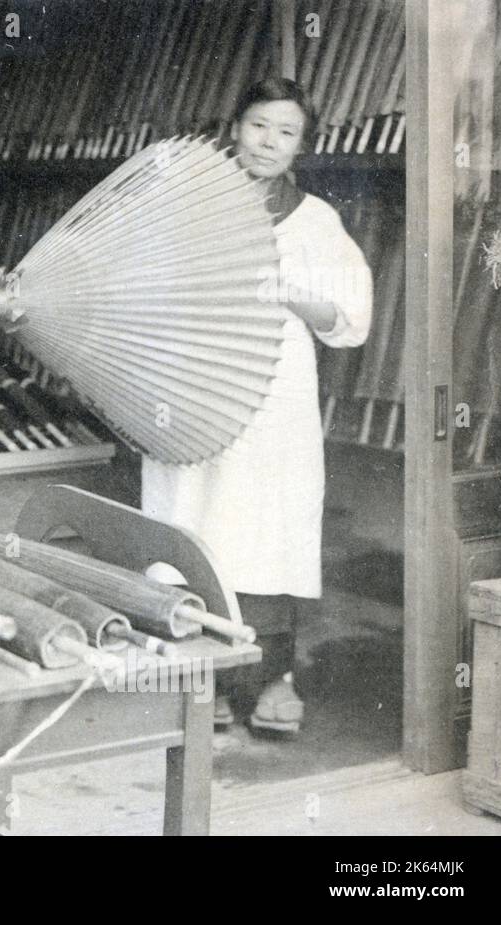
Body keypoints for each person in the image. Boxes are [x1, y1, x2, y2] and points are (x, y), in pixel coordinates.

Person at [140, 78, 373, 734]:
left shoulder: (315, 220)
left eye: (285, 132)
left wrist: (287, 287)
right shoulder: (186, 205)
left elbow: (348, 319)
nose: (268, 142)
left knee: (267, 530)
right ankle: (202, 681)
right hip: (190, 390)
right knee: (193, 520)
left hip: (274, 399)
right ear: (234, 124)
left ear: (303, 143)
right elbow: (138, 289)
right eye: (258, 126)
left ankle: (275, 679)